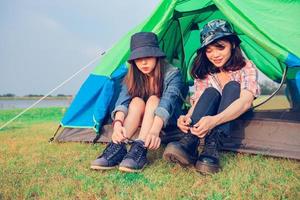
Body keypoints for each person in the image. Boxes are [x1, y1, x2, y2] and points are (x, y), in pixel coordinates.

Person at [163, 19, 260, 174]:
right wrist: (187, 116)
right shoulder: (205, 72)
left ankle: (212, 145)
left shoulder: (246, 67)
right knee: (210, 92)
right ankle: (190, 142)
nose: (214, 55)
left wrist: (214, 121)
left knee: (232, 86)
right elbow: (200, 99)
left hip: (236, 115)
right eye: (209, 50)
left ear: (233, 45)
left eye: (220, 47)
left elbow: (245, 101)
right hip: (208, 118)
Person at [91, 32, 186, 172]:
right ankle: (118, 145)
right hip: (141, 118)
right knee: (136, 101)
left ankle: (140, 147)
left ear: (156, 55)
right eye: (138, 58)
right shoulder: (132, 75)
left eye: (147, 56)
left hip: (166, 120)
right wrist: (117, 125)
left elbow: (168, 103)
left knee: (154, 99)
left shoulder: (172, 73)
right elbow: (122, 101)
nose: (143, 62)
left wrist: (154, 131)